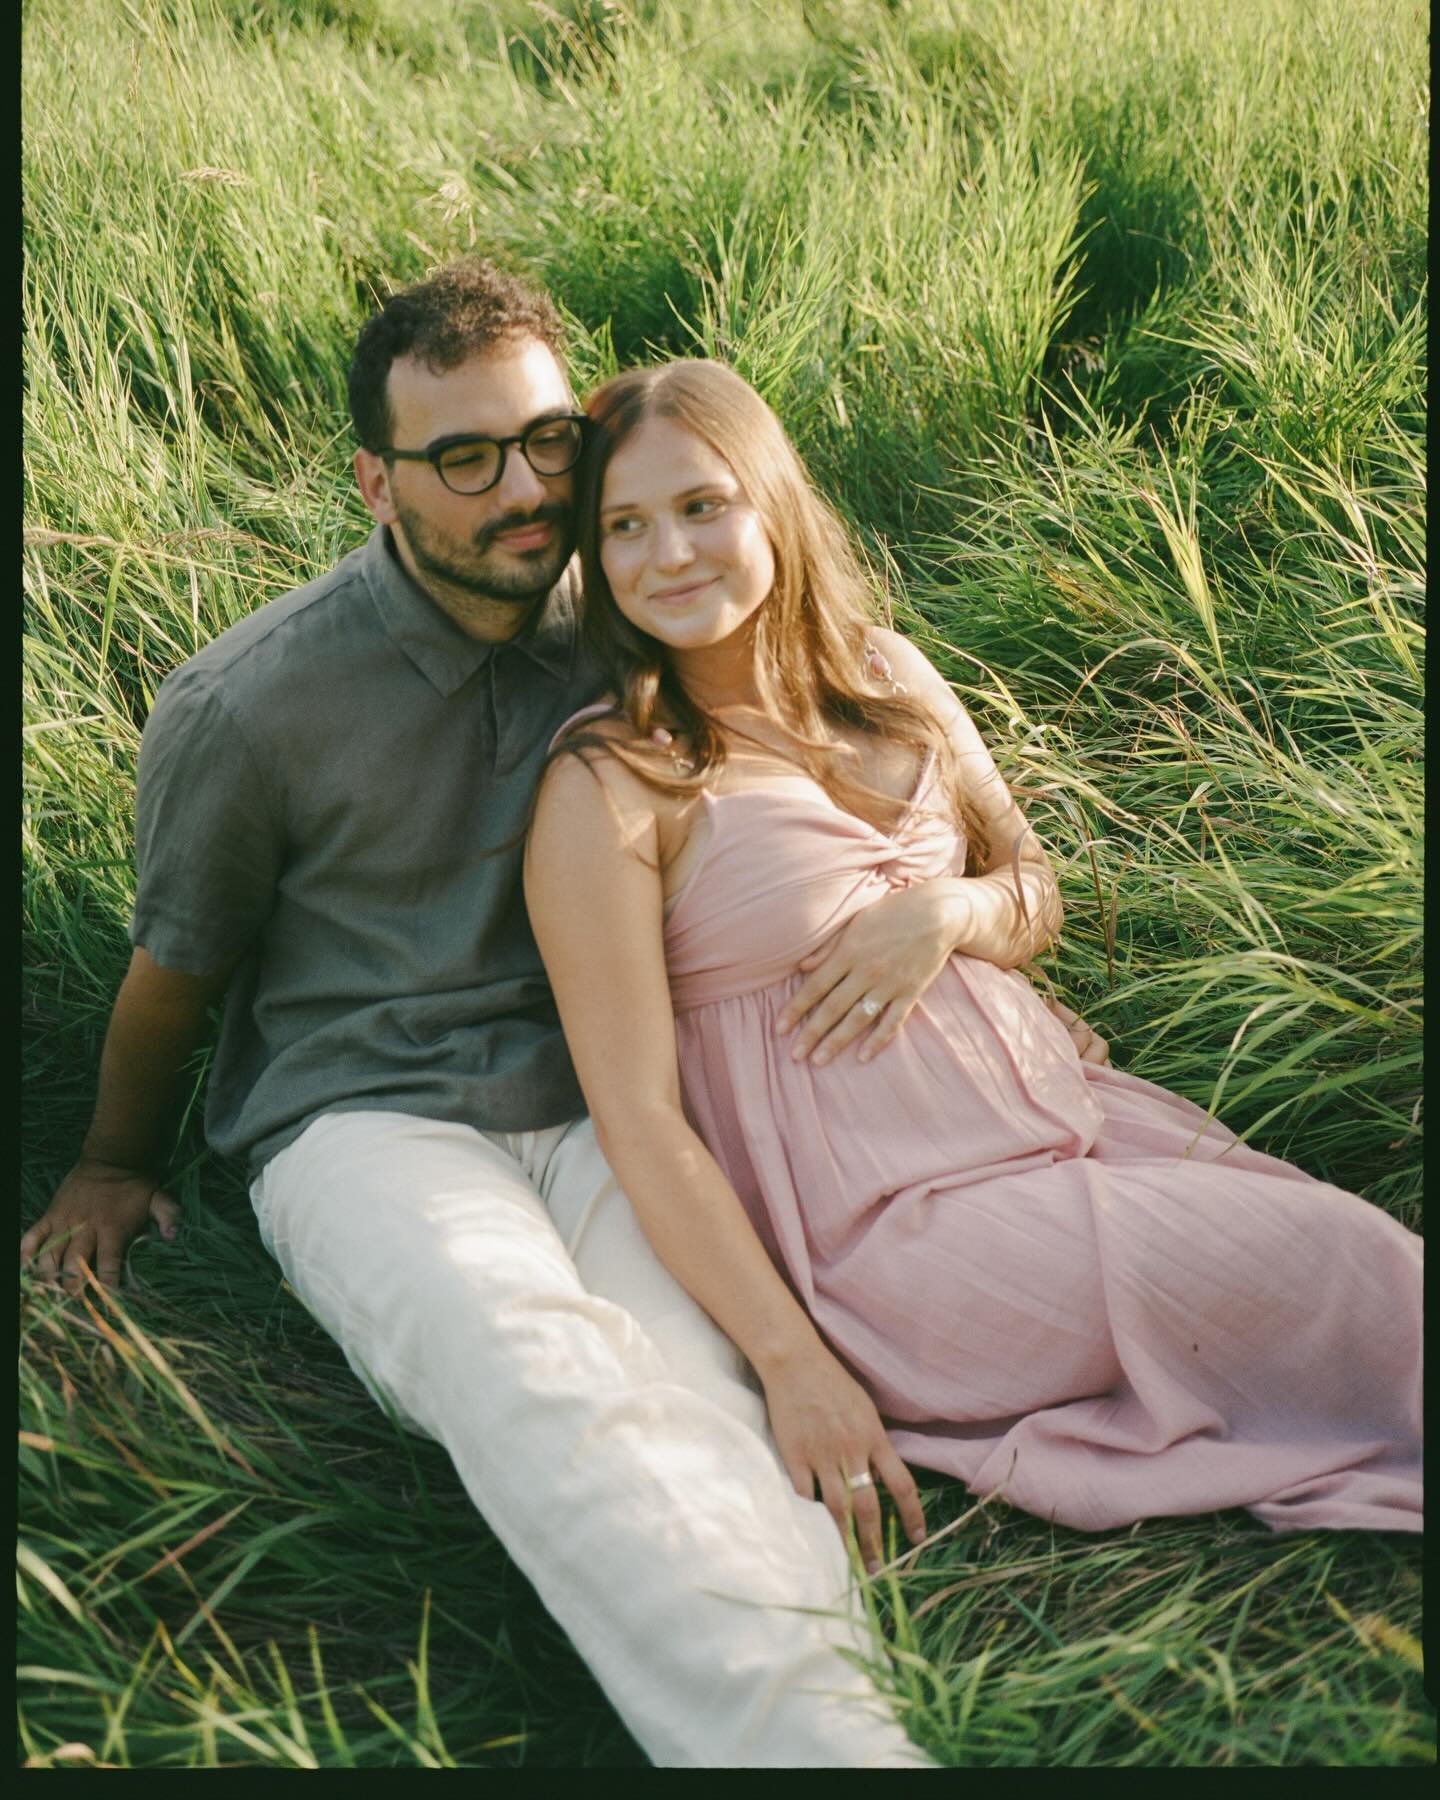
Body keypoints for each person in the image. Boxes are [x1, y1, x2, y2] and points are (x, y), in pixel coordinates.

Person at [19, 255, 1113, 1768]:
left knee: (707, 1388)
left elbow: (833, 739)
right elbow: (173, 970)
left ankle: (822, 1698)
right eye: (462, 459)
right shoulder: (250, 705)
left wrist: (968, 912)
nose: (520, 488)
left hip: (605, 1101)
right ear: (376, 482)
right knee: (535, 1372)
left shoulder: (621, 610)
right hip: (365, 1118)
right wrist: (113, 1159)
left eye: (544, 443)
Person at [524, 358, 1423, 1548]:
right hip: (895, 1237)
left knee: (1353, 1250)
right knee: (1343, 1262)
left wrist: (946, 916)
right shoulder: (611, 786)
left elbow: (1034, 888)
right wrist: (792, 1365)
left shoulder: (889, 671)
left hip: (1070, 1120)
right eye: (624, 527)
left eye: (702, 506)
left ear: (772, 498)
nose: (670, 555)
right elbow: (638, 1121)